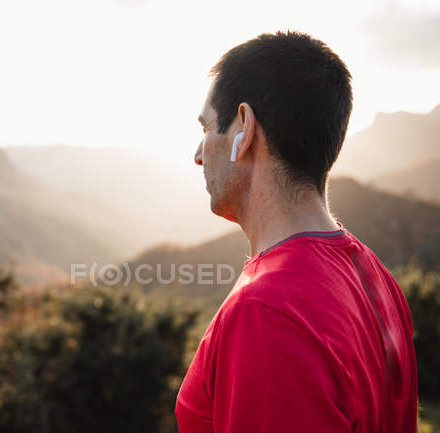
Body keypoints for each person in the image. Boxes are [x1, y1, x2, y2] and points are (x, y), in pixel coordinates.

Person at [175, 31, 418, 433]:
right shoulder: (375, 277)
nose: (198, 155)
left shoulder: (267, 313)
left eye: (207, 128)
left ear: (244, 129)